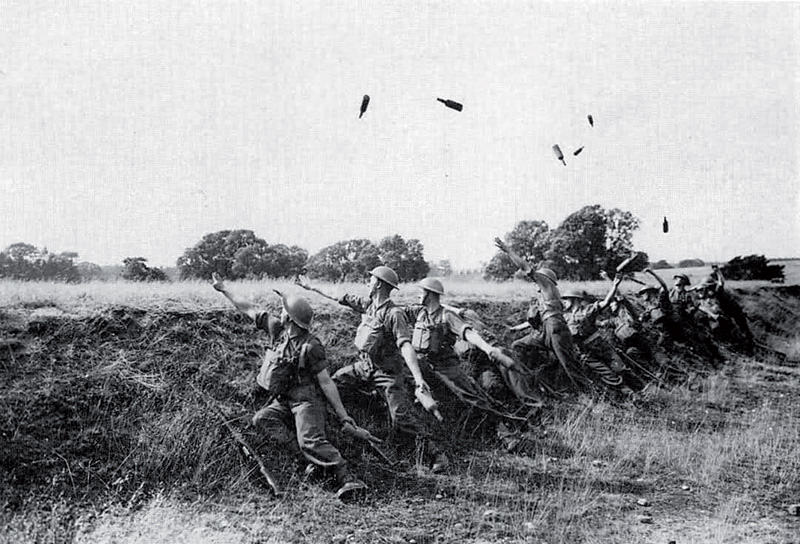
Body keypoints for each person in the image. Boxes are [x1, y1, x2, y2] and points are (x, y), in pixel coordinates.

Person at [210, 273, 367, 499]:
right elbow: (249, 309)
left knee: (311, 441)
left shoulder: (311, 346)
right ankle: (310, 464)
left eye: (284, 310)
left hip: (307, 400)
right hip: (284, 399)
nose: (280, 313)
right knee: (263, 419)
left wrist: (343, 416)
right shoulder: (277, 332)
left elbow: (325, 381)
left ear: (291, 318)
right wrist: (224, 289)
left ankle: (347, 478)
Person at [297, 266, 450, 473]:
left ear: (378, 284)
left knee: (400, 417)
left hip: (387, 374)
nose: (367, 283)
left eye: (370, 280)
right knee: (332, 385)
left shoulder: (394, 314)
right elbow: (338, 296)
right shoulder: (368, 305)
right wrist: (311, 286)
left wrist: (417, 377)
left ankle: (437, 453)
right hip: (363, 367)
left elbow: (405, 346)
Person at [403, 278, 541, 417]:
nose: (417, 295)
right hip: (426, 365)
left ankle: (503, 423)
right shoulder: (419, 312)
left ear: (429, 294)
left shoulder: (447, 316)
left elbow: (468, 333)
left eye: (420, 292)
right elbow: (396, 312)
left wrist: (488, 349)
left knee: (470, 398)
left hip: (446, 367)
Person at [494, 238, 582, 387]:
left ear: (543, 278)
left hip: (555, 329)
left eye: (536, 280)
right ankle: (532, 379)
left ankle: (589, 393)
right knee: (519, 345)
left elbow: (525, 267)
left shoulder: (547, 284)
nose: (534, 283)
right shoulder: (544, 297)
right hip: (546, 331)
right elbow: (540, 318)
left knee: (569, 365)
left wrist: (508, 250)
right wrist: (516, 328)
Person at [561, 277, 637, 394]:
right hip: (585, 352)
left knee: (620, 368)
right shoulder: (565, 317)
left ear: (575, 299)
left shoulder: (588, 310)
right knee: (607, 374)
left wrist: (614, 286)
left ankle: (641, 389)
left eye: (566, 299)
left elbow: (605, 302)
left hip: (600, 346)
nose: (564, 302)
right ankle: (630, 394)